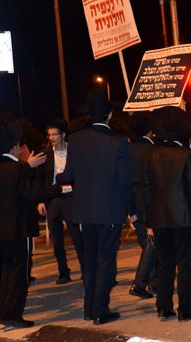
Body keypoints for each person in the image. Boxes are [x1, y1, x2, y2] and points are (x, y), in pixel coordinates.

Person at [57, 91, 136, 325]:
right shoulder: (118, 141)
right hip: (110, 209)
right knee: (106, 261)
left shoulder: (76, 139)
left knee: (89, 260)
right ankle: (101, 309)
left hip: (84, 210)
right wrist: (132, 210)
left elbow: (68, 176)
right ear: (109, 115)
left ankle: (89, 308)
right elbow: (124, 181)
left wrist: (57, 178)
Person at [0, 124, 61, 328]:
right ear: (12, 147)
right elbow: (31, 194)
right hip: (18, 228)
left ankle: (1, 311)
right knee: (19, 273)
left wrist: (27, 167)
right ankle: (13, 314)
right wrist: (58, 188)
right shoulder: (17, 168)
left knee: (6, 271)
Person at [142, 106, 191, 322]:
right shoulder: (187, 155)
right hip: (183, 216)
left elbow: (147, 191)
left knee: (164, 262)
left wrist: (148, 220)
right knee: (185, 264)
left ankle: (164, 306)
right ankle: (185, 308)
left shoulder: (151, 156)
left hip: (159, 218)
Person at [37, 118, 85, 284]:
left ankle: (85, 268)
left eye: (54, 134)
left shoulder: (73, 151)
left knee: (76, 236)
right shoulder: (46, 154)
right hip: (53, 199)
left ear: (63, 135)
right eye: (49, 135)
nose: (51, 138)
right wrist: (41, 200)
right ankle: (63, 272)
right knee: (57, 240)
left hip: (70, 198)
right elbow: (41, 180)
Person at [126, 112, 158, 299]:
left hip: (134, 204)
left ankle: (154, 283)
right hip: (150, 203)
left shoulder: (127, 151)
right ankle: (139, 284)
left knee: (147, 243)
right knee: (152, 244)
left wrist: (130, 210)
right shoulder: (152, 150)